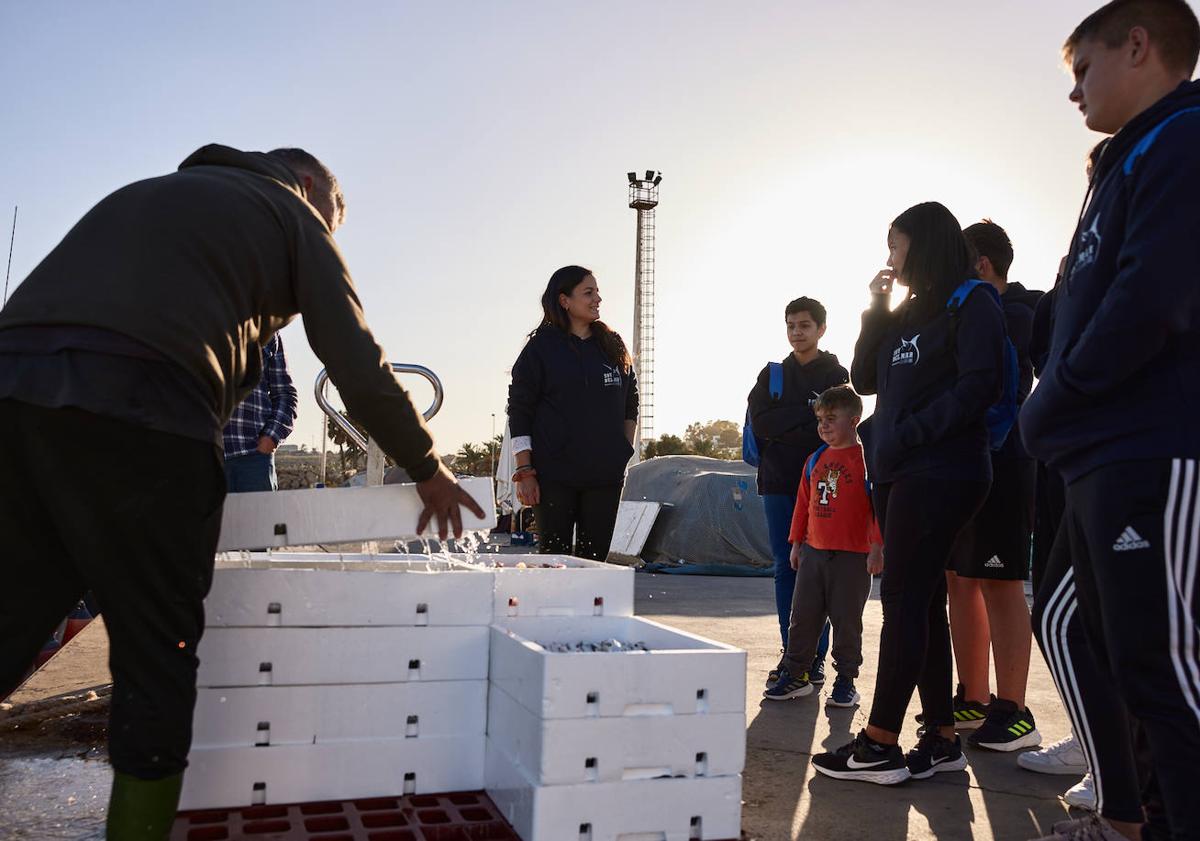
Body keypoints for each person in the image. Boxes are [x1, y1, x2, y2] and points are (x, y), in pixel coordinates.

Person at [0, 144, 483, 840]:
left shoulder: (152, 195)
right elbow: (355, 358)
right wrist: (427, 466)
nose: (332, 229)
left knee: (11, 616)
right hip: (143, 407)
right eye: (336, 217)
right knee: (155, 655)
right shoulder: (294, 214)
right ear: (312, 185)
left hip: (14, 393)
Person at [1022, 1, 1200, 838]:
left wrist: (1053, 397)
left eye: (1082, 69)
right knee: (1127, 661)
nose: (1074, 92)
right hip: (1099, 450)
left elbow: (1152, 299)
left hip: (1155, 445)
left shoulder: (1184, 140)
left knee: (1167, 669)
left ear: (1138, 46)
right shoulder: (1122, 162)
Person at [811, 201, 1005, 785]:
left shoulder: (972, 302)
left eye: (895, 245)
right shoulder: (907, 312)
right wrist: (876, 305)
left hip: (943, 470)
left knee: (901, 601)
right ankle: (942, 737)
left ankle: (879, 743)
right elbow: (864, 377)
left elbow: (979, 386)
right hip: (899, 473)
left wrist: (915, 433)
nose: (890, 256)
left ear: (921, 244)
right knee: (919, 602)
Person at [941, 220, 1043, 750]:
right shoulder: (957, 312)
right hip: (962, 463)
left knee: (1001, 583)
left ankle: (1016, 709)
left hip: (1006, 462)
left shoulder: (1023, 311)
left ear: (981, 264)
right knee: (960, 578)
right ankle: (975, 696)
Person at [747, 297, 848, 687]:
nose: (796, 332)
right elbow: (763, 424)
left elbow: (835, 427)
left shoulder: (836, 373)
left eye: (804, 325)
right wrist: (807, 414)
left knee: (817, 568)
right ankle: (793, 656)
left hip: (825, 484)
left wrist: (789, 421)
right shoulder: (771, 374)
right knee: (784, 568)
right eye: (791, 325)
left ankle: (814, 658)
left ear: (821, 329)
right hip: (777, 483)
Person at [506, 265, 638, 562]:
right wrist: (524, 470)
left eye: (597, 292)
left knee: (595, 561)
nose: (598, 299)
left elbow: (631, 399)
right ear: (564, 300)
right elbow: (519, 410)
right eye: (588, 292)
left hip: (605, 475)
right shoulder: (540, 349)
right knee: (554, 561)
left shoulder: (612, 345)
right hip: (553, 476)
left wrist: (623, 448)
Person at [763, 385, 882, 708]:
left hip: (852, 557)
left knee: (846, 622)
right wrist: (796, 543)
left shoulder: (867, 460)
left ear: (855, 420)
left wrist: (877, 547)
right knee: (802, 617)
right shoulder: (815, 459)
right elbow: (803, 504)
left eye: (832, 418)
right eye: (819, 419)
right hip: (814, 553)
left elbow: (877, 508)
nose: (824, 425)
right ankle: (797, 674)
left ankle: (845, 680)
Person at [222, 333, 297, 492]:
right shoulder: (191, 320)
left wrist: (269, 439)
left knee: (262, 517)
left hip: (255, 461)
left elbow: (285, 395)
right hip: (200, 459)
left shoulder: (267, 329)